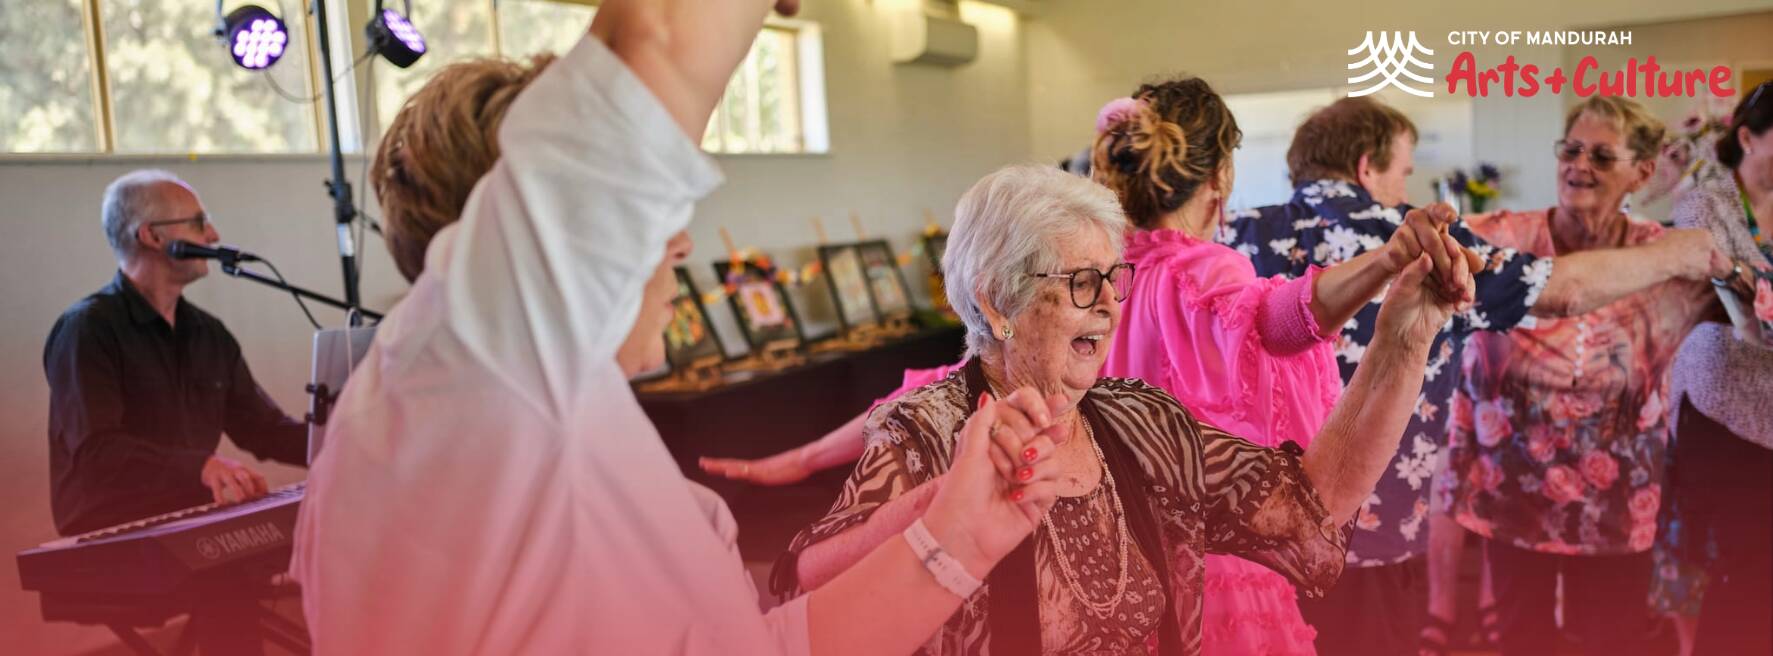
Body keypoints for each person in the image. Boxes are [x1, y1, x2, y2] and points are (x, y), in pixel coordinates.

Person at [292, 2, 1081, 654]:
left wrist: (961, 534)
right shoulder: (460, 378)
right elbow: (662, 37)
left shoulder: (557, 426)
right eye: (646, 211)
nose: (679, 241)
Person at [776, 163, 1473, 655]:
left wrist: (1403, 338)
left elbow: (1311, 503)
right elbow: (802, 589)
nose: (1111, 303)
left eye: (1114, 278)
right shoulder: (925, 430)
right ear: (995, 300)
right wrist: (941, 508)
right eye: (1083, 282)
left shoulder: (1142, 421)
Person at [1217, 97, 1728, 656]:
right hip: (1371, 539)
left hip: (1251, 540)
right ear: (1367, 167)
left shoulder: (1234, 238)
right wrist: (1685, 252)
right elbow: (1562, 290)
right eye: (1405, 173)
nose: (1406, 191)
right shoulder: (1422, 248)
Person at [1089, 79, 1469, 655]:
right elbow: (1282, 318)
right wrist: (1388, 260)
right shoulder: (1204, 270)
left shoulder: (1099, 276)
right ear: (1219, 177)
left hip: (1112, 555)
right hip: (1210, 562)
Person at [1437, 95, 1733, 656]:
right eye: (1571, 150)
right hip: (1512, 490)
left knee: (1613, 640)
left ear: (1642, 173)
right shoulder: (1501, 236)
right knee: (1520, 640)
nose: (1579, 166)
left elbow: (1758, 304)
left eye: (1601, 156)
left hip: (1617, 501)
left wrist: (1731, 260)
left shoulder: (1669, 253)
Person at [43, 169, 310, 654]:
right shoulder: (88, 330)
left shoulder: (208, 334)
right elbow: (98, 452)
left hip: (191, 518)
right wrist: (201, 466)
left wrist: (347, 442)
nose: (214, 236)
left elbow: (265, 430)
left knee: (295, 544)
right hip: (111, 529)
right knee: (227, 578)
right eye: (199, 222)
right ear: (153, 237)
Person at [1662, 79, 1773, 655]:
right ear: (1749, 138)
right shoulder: (1704, 204)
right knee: (1731, 564)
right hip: (1719, 403)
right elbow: (1701, 295)